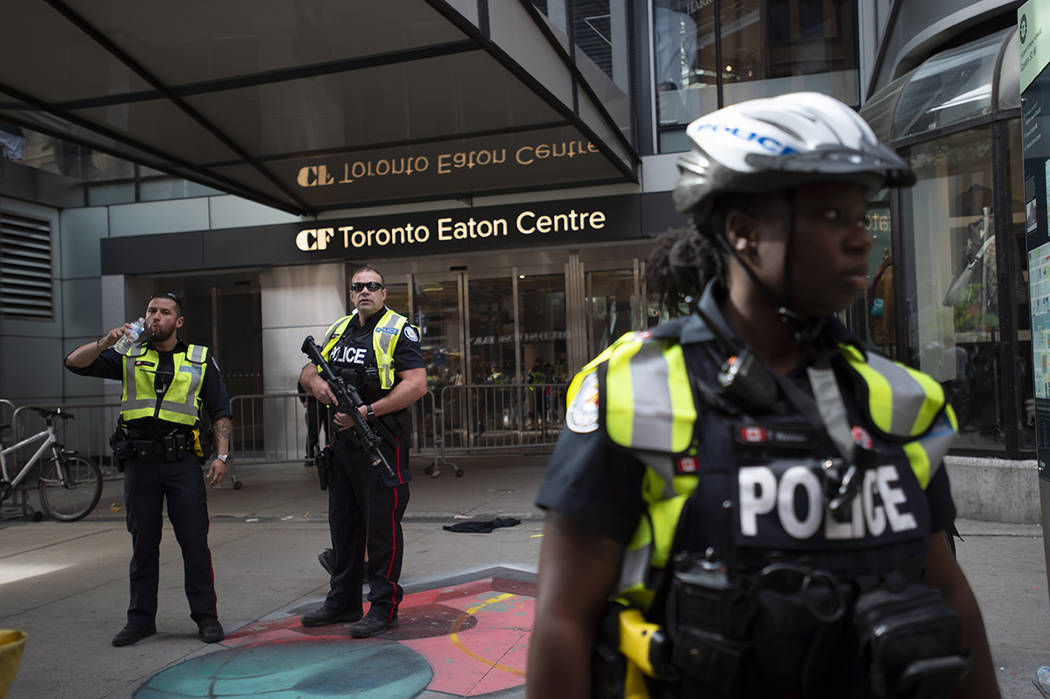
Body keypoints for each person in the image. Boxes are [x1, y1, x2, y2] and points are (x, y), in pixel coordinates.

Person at [527, 93, 1000, 699]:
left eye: (862, 216)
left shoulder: (903, 398)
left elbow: (949, 594)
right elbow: (564, 618)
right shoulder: (634, 392)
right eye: (832, 216)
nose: (861, 240)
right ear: (744, 233)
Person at [64, 292, 231, 647]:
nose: (156, 317)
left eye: (164, 312)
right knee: (143, 544)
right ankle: (140, 620)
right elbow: (73, 363)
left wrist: (222, 456)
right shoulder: (128, 353)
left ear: (178, 321)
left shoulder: (199, 359)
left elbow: (220, 410)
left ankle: (206, 617)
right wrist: (105, 341)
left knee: (194, 543)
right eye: (151, 311)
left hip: (183, 462)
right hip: (140, 463)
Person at [298, 265, 426, 637]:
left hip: (381, 442)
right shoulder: (339, 329)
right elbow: (307, 369)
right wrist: (318, 384)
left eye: (373, 286)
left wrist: (367, 412)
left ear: (384, 293)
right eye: (358, 287)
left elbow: (416, 385)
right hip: (342, 447)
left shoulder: (398, 330)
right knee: (344, 526)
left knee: (381, 532)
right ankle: (343, 601)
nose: (365, 291)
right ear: (351, 294)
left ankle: (384, 607)